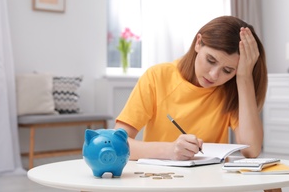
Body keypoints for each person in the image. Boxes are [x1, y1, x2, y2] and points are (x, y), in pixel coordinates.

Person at [114, 15, 268, 160]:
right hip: (162, 181)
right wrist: (169, 150)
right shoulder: (157, 77)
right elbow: (116, 143)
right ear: (198, 43)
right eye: (210, 60)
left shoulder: (230, 89)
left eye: (227, 70)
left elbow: (251, 150)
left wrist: (244, 77)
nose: (214, 75)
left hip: (211, 183)